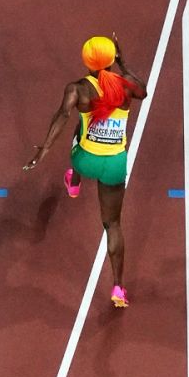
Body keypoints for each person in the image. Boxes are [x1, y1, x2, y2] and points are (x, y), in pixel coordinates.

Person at [24, 35, 147, 307]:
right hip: (114, 164)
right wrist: (123, 63)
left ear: (86, 61)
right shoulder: (126, 87)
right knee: (112, 224)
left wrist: (44, 149)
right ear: (112, 59)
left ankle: (75, 182)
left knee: (80, 130)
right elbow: (143, 90)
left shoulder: (77, 89)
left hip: (85, 160)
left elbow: (62, 116)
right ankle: (118, 287)